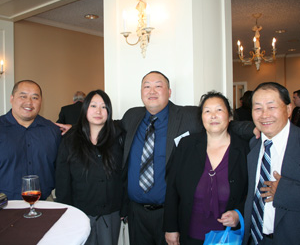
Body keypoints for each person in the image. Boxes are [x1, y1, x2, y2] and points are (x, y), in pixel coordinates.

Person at [121, 71, 254, 245]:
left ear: (169, 92)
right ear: (141, 91)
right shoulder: (131, 116)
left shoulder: (188, 115)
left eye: (158, 86)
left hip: (169, 213)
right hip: (137, 213)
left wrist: (255, 128)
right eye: (147, 86)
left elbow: (218, 124)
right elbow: (105, 127)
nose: (152, 91)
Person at [163, 91, 249, 245]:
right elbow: (172, 188)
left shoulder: (244, 149)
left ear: (230, 116)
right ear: (201, 117)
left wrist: (239, 214)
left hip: (227, 237)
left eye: (219, 110)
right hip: (190, 233)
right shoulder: (186, 145)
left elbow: (250, 192)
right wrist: (171, 228)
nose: (213, 115)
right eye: (207, 111)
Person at [55, 89, 124, 245]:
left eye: (103, 107)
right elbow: (62, 180)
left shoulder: (119, 136)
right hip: (79, 213)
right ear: (85, 108)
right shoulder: (70, 139)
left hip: (111, 214)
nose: (98, 111)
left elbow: (124, 175)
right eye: (93, 106)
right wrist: (66, 211)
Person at [243, 82, 300, 245]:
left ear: (288, 110)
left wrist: (285, 191)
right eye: (258, 108)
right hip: (255, 238)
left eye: (271, 107)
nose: (264, 115)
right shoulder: (254, 145)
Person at [0, 80, 61, 200]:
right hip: (5, 204)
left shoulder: (52, 130)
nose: (29, 102)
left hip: (44, 201)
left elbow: (60, 168)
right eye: (23, 96)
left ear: (41, 102)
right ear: (12, 98)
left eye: (35, 97)